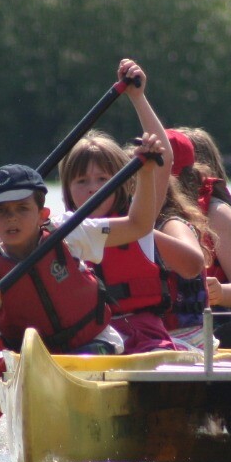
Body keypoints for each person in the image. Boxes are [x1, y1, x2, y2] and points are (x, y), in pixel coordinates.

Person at [0, 134, 165, 356]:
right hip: (35, 362)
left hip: (95, 346)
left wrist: (145, 173)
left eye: (22, 208)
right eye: (1, 211)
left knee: (82, 358)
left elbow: (139, 225)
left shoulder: (67, 231)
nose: (12, 218)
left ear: (42, 214)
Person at [56, 59, 175, 354]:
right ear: (68, 189)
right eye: (81, 181)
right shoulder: (60, 230)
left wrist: (137, 96)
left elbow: (164, 162)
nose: (93, 188)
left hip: (144, 337)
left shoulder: (138, 220)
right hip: (91, 339)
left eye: (103, 179)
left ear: (119, 182)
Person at [171, 126, 231, 349]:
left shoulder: (217, 214)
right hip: (176, 327)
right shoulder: (148, 215)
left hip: (225, 323)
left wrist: (221, 293)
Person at [154, 131, 213, 350]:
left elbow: (192, 263)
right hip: (146, 331)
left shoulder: (172, 224)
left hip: (185, 336)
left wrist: (137, 230)